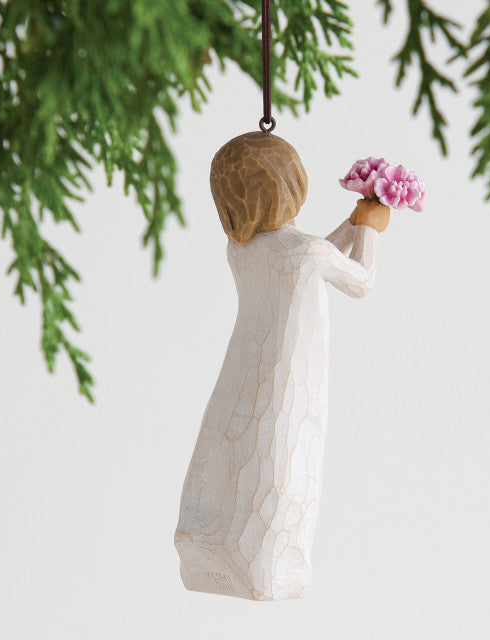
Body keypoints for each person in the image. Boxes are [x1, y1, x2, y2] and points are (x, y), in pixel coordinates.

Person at [175, 131, 389, 600]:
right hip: (291, 375)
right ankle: (268, 564)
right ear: (291, 184)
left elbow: (309, 254)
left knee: (232, 448)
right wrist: (370, 230)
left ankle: (214, 543)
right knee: (283, 459)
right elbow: (359, 280)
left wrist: (352, 222)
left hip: (244, 366)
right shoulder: (305, 253)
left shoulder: (240, 250)